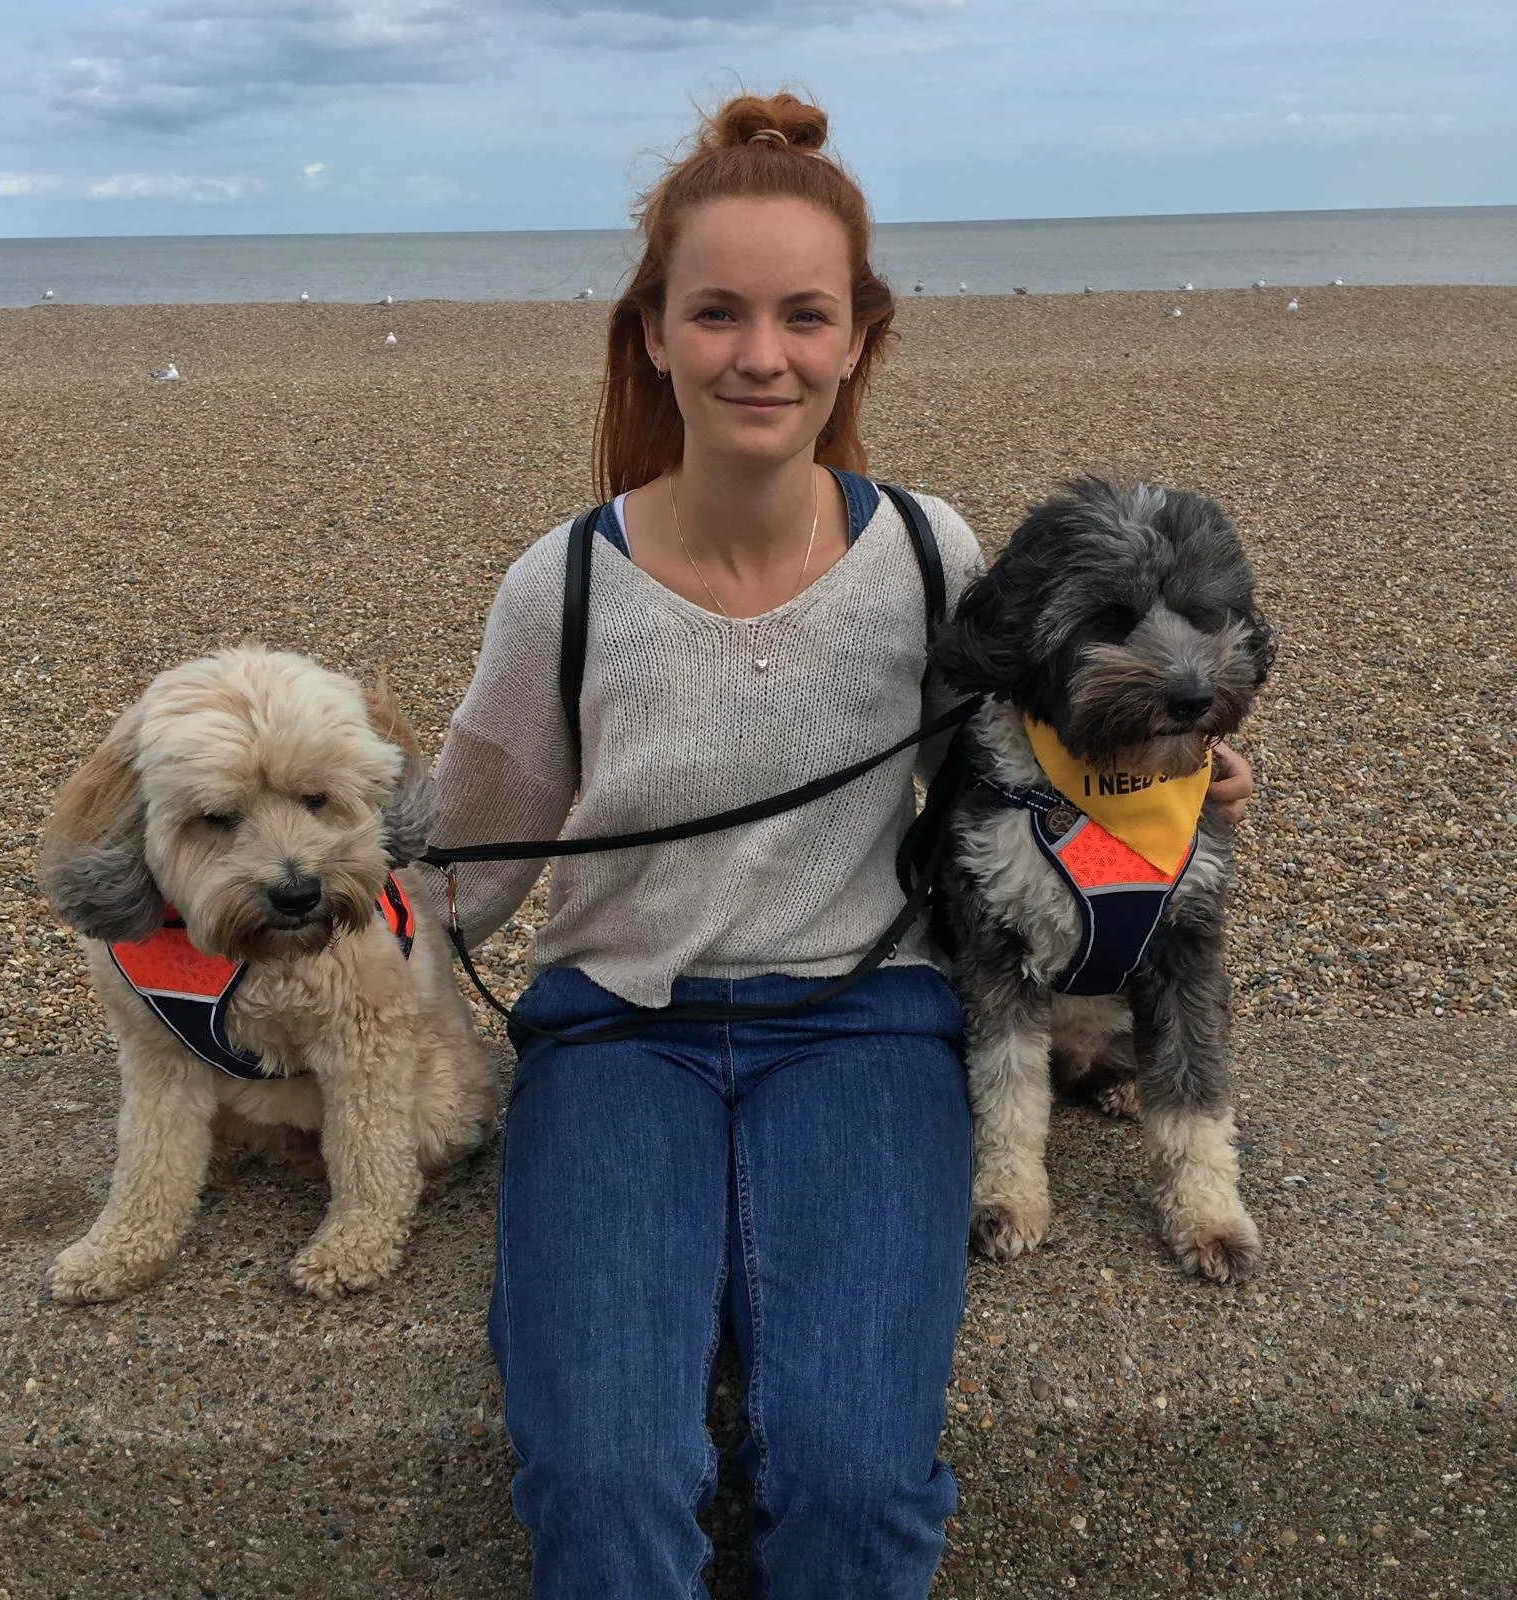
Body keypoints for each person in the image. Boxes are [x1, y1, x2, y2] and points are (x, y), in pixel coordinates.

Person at [423, 91, 1254, 1599]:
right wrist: (297, 962)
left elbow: (1031, 751)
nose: (762, 353)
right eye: (719, 313)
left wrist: (1182, 759)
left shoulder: (932, 553)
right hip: (615, 1039)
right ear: (654, 333)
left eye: (805, 315)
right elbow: (462, 856)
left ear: (861, 335)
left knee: (856, 1489)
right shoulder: (560, 587)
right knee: (604, 1484)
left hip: (872, 1028)